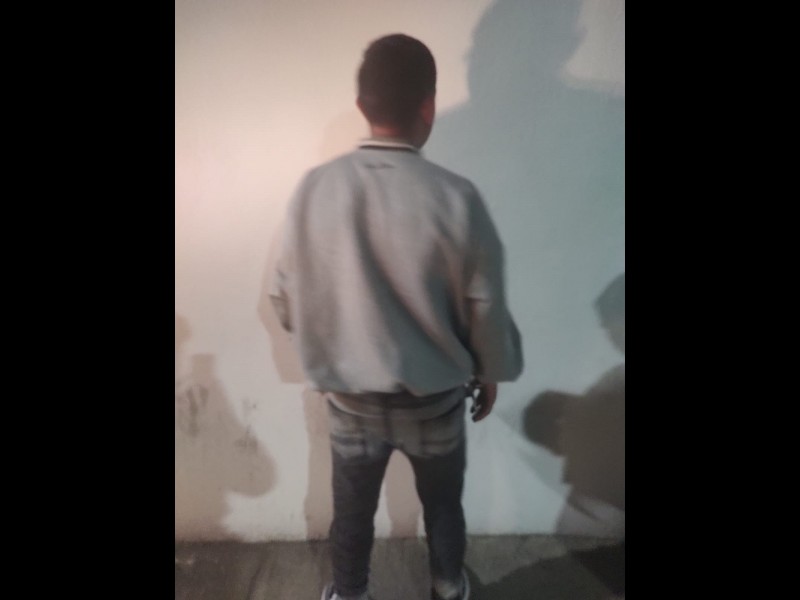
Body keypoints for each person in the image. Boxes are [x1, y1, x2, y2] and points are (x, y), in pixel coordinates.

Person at [270, 33, 523, 600]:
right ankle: (448, 588)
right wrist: (490, 371)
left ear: (363, 105)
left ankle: (350, 593)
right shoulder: (456, 197)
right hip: (435, 402)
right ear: (427, 107)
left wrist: (329, 346)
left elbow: (284, 296)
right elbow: (485, 302)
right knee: (444, 508)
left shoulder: (316, 189)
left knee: (352, 515)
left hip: (351, 402)